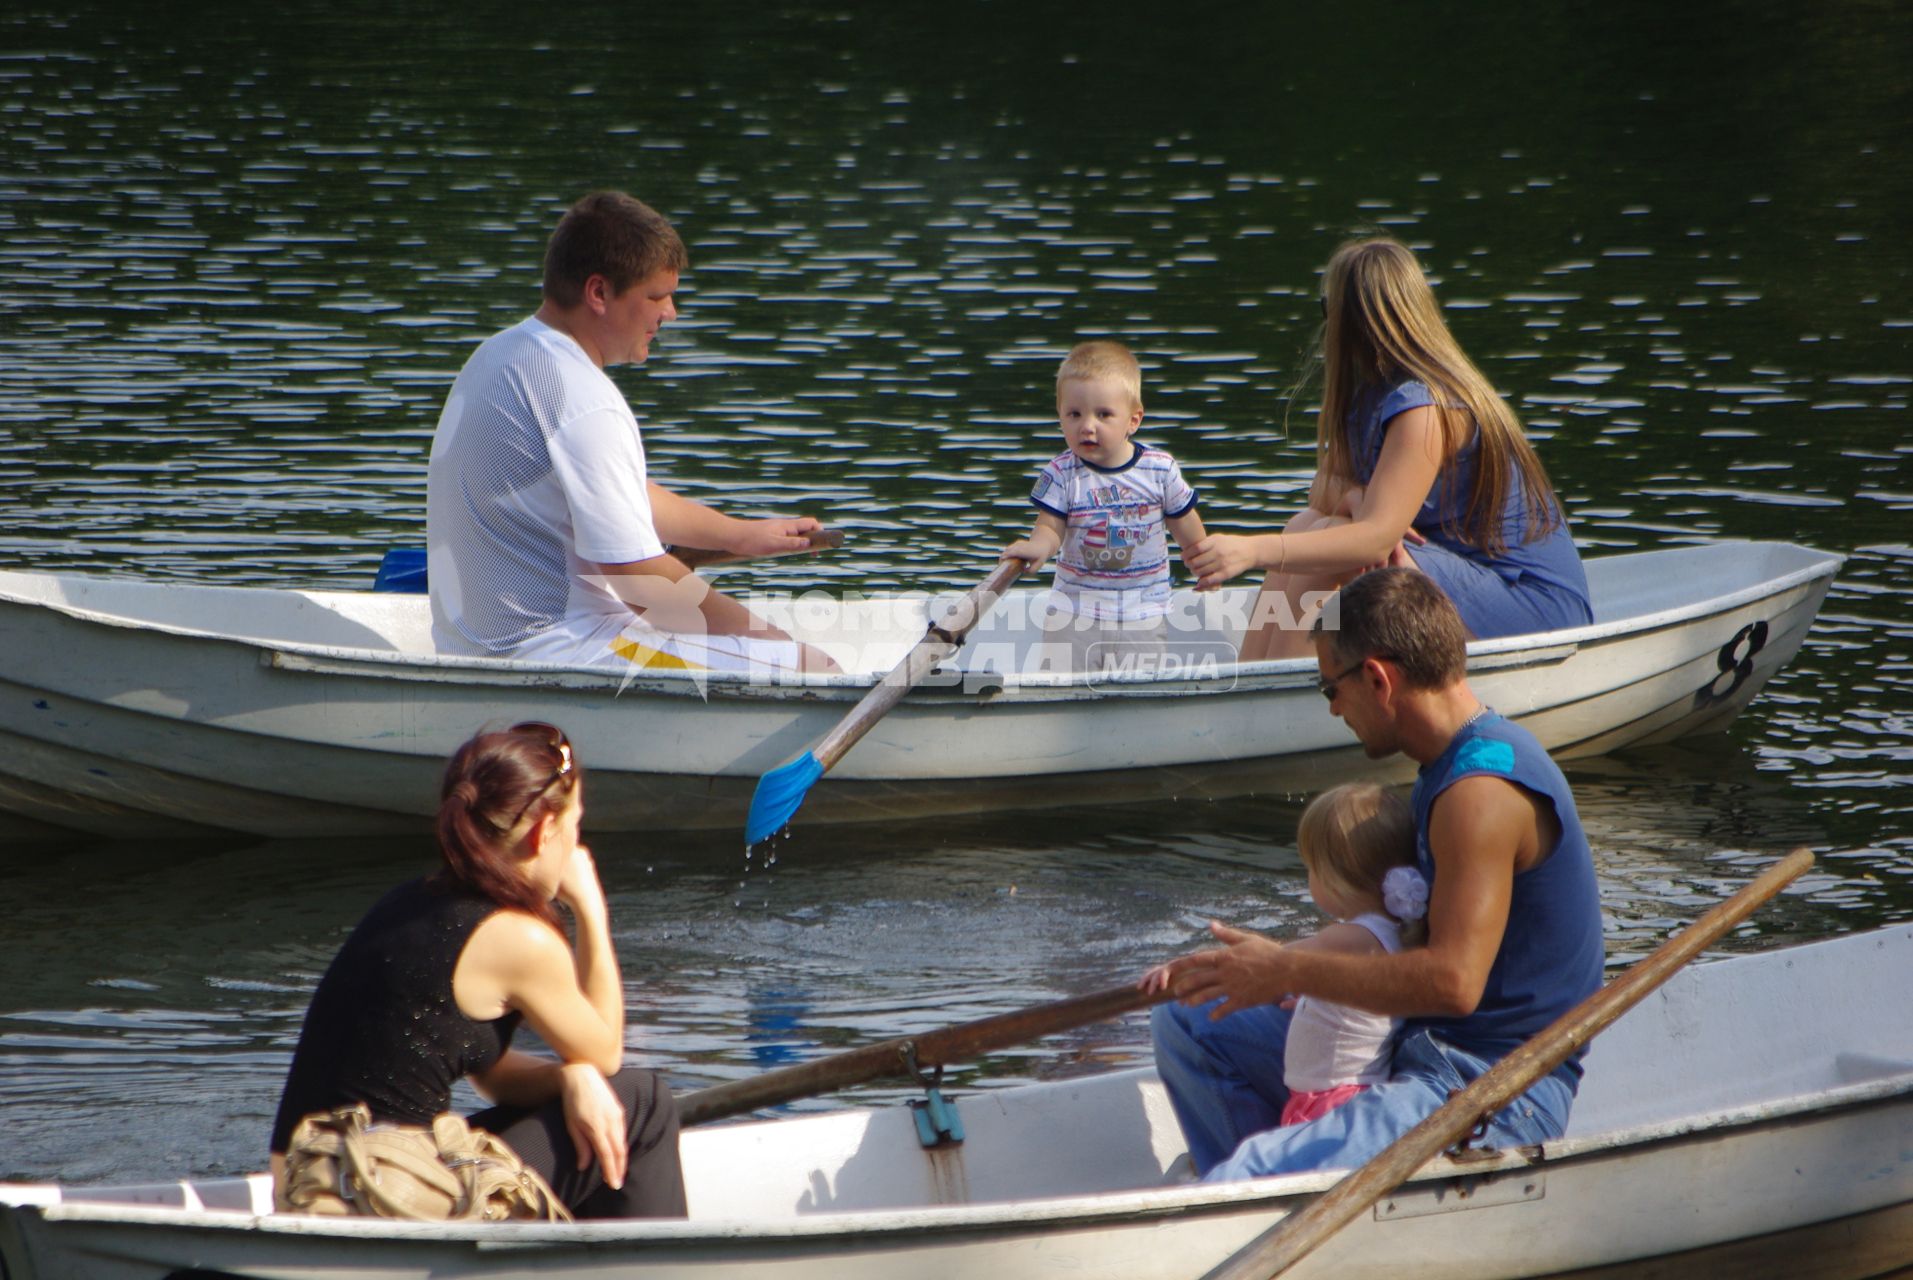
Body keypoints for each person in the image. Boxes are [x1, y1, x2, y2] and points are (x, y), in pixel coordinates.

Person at [1147, 568, 1604, 1180]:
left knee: (1245, 1176)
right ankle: (1285, 1186)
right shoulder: (1443, 766)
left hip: (1488, 1090)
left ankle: (1254, 1186)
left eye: (1328, 687)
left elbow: (1453, 984)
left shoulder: (1480, 794)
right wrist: (1270, 972)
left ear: (1378, 678)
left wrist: (1285, 969)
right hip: (1417, 1048)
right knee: (1190, 1019)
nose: (1334, 708)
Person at [270, 722, 686, 1218]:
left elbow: (493, 1075)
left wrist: (569, 1077)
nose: (577, 850)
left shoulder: (414, 900)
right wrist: (592, 909)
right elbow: (607, 1051)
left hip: (307, 1184)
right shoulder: (519, 938)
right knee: (643, 1103)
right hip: (376, 1202)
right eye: (575, 827)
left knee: (590, 1108)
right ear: (544, 831)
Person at [426, 190, 837, 675]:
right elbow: (641, 584)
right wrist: (776, 644)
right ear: (598, 293)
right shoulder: (584, 401)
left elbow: (611, 490)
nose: (670, 313)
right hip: (559, 650)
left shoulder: (500, 355)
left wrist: (741, 535)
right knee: (816, 668)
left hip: (475, 645)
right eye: (657, 296)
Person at [1189, 236, 1592, 662]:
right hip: (1462, 575)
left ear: (1355, 321)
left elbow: (1376, 543)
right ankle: (1251, 679)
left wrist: (1251, 550)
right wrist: (1357, 498)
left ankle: (1276, 697)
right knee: (1305, 524)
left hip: (1530, 606)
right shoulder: (1373, 394)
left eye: (1330, 310)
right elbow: (1323, 490)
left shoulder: (1426, 406)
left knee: (1329, 544)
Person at [1002, 340, 1206, 672]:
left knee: (1140, 694)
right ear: (1060, 417)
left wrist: (1202, 558)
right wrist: (1037, 547)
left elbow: (1186, 524)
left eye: (1104, 414)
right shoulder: (1062, 473)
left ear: (1133, 420)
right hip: (1075, 612)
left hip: (1142, 613)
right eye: (1074, 414)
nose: (1087, 426)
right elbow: (1050, 526)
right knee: (1061, 690)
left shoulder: (1159, 469)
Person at [1277, 782, 1427, 1126]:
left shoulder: (1348, 938)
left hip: (1332, 1100)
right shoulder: (1388, 932)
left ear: (1335, 878)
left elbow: (1271, 963)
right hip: (1335, 1092)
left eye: (1311, 868)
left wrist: (1195, 968)